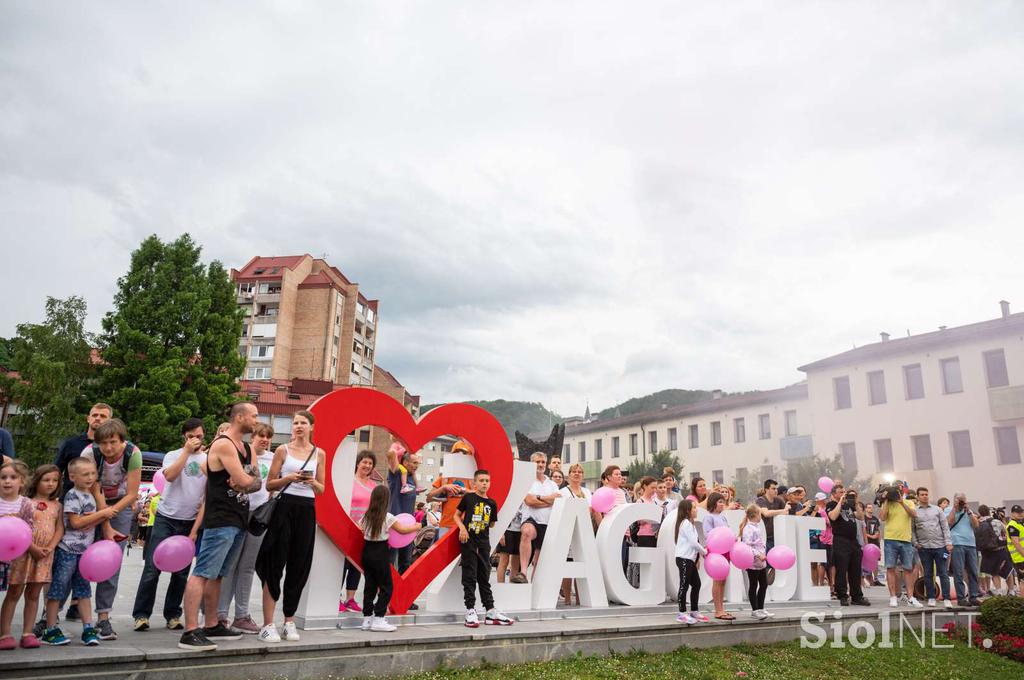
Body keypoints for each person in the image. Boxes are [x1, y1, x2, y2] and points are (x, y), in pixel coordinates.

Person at [178, 402, 262, 652]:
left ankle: (213, 623)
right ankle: (190, 630)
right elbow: (245, 479)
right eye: (254, 416)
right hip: (220, 518)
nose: (256, 420)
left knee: (218, 574)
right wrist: (246, 481)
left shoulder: (247, 447)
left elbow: (257, 482)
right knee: (203, 571)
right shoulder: (224, 444)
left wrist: (246, 482)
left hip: (238, 517)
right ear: (239, 417)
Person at [132, 418, 207, 633]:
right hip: (166, 517)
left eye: (199, 436)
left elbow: (207, 497)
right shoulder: (173, 455)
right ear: (184, 436)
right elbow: (171, 476)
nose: (196, 440)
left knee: (181, 572)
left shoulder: (207, 459)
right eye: (191, 436)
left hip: (189, 520)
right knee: (152, 569)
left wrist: (194, 531)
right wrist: (186, 451)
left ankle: (173, 614)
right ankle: (141, 614)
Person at [257, 410, 325, 643]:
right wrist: (289, 478)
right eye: (295, 423)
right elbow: (270, 484)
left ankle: (289, 620)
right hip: (284, 507)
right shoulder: (282, 450)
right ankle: (267, 624)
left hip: (307, 509)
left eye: (303, 423)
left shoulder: (319, 454)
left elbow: (322, 489)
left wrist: (311, 480)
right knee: (275, 563)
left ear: (311, 427)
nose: (298, 426)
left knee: (299, 566)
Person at [80, 417, 140, 640]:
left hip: (121, 505)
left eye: (113, 442)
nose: (108, 448)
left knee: (111, 561)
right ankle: (54, 615)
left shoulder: (133, 454)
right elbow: (93, 489)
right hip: (91, 502)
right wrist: (104, 520)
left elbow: (133, 493)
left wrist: (111, 515)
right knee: (77, 555)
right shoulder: (90, 454)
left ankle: (103, 617)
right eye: (103, 443)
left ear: (122, 440)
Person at [40, 458, 110, 646]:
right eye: (85, 474)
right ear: (72, 476)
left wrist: (97, 518)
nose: (90, 477)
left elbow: (87, 524)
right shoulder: (72, 495)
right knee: (58, 589)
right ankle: (50, 628)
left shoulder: (91, 495)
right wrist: (102, 514)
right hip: (67, 551)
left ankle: (88, 628)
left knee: (83, 591)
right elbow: (76, 523)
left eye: (93, 473)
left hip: (84, 553)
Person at [217, 422, 275, 633]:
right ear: (253, 437)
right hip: (239, 511)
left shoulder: (273, 458)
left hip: (259, 515)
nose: (264, 440)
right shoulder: (242, 454)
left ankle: (241, 615)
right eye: (260, 435)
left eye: (268, 436)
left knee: (247, 566)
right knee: (230, 564)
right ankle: (221, 613)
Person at [1, 465, 62, 649]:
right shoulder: (26, 502)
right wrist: (32, 547)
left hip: (44, 556)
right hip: (23, 554)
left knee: (34, 594)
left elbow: (59, 528)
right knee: (14, 593)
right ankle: (4, 633)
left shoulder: (58, 505)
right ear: (36, 481)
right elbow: (22, 528)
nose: (50, 484)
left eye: (54, 480)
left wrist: (50, 547)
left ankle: (28, 633)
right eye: (46, 480)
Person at [454, 469, 513, 627]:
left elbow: (492, 523)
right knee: (469, 575)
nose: (484, 483)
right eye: (481, 480)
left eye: (487, 481)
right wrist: (463, 528)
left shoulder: (492, 503)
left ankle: (490, 610)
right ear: (474, 483)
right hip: (468, 542)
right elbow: (456, 515)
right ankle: (470, 610)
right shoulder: (468, 497)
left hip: (484, 543)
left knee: (484, 576)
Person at [358, 485, 418, 632]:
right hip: (380, 551)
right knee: (386, 586)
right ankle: (378, 618)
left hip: (367, 551)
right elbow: (403, 530)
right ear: (386, 500)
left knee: (370, 586)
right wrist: (417, 525)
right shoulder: (388, 516)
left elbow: (360, 527)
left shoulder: (367, 515)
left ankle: (367, 619)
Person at [513, 452, 560, 583]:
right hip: (531, 519)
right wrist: (547, 501)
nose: (540, 464)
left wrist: (538, 497)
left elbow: (557, 500)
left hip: (548, 522)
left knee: (539, 562)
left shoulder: (552, 484)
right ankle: (522, 572)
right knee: (527, 532)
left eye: (542, 462)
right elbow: (529, 501)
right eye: (537, 462)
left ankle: (535, 588)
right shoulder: (526, 481)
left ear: (546, 464)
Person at [340, 449, 378, 613]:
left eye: (370, 463)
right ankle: (336, 598)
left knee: (356, 565)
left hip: (365, 531)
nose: (367, 465)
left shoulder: (373, 485)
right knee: (343, 565)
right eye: (364, 462)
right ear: (358, 463)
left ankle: (350, 599)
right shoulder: (349, 481)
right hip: (348, 528)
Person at [54, 403, 112, 497]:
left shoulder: (113, 447)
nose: (97, 418)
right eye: (94, 415)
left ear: (110, 422)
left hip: (103, 500)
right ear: (88, 419)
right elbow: (56, 472)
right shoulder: (70, 444)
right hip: (71, 500)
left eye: (103, 416)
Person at [827, 485, 870, 607]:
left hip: (853, 541)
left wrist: (856, 503)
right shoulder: (831, 505)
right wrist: (840, 502)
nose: (843, 494)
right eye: (841, 492)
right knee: (842, 569)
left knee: (855, 569)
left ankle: (857, 596)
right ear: (834, 494)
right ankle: (842, 595)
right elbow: (833, 516)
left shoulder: (849, 505)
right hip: (840, 540)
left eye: (844, 492)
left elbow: (861, 517)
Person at [911, 487, 952, 608]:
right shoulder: (914, 511)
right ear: (918, 497)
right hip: (924, 547)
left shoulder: (937, 509)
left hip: (940, 547)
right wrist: (915, 543)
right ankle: (931, 597)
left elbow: (945, 527)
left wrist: (948, 543)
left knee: (944, 573)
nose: (925, 496)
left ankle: (946, 598)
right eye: (922, 494)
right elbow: (912, 529)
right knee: (928, 573)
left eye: (926, 494)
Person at [880, 486, 921, 608]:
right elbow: (882, 517)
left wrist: (902, 502)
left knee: (908, 569)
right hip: (890, 539)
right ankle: (893, 597)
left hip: (906, 540)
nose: (896, 495)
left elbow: (914, 514)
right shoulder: (888, 504)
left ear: (901, 493)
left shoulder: (908, 502)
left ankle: (910, 597)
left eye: (898, 492)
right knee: (890, 568)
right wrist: (886, 500)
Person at [386, 443, 422, 577]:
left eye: (418, 463)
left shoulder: (412, 478)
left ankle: (403, 594)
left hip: (409, 527)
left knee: (406, 563)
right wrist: (399, 445)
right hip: (394, 525)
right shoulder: (397, 473)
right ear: (405, 462)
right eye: (414, 463)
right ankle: (386, 593)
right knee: (389, 561)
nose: (416, 466)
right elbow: (391, 455)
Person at [558, 463, 592, 605]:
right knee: (568, 566)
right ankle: (567, 598)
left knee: (581, 567)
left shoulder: (587, 491)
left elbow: (590, 509)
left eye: (579, 472)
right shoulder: (563, 492)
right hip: (568, 532)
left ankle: (580, 598)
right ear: (569, 475)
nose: (577, 474)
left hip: (583, 531)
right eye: (574, 472)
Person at [426, 440, 474, 540]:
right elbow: (429, 498)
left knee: (464, 555)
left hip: (466, 525)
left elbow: (480, 497)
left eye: (464, 454)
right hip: (446, 524)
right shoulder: (444, 477)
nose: (460, 457)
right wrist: (443, 488)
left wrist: (464, 490)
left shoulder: (473, 479)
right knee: (444, 554)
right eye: (457, 454)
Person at [673, 499, 708, 625]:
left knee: (696, 584)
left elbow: (693, 543)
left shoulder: (690, 524)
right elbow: (694, 543)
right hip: (683, 559)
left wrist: (697, 558)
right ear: (687, 510)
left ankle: (694, 610)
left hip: (690, 560)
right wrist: (704, 552)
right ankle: (682, 613)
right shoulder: (686, 523)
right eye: (694, 508)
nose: (696, 509)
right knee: (684, 585)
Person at [947, 493, 982, 607]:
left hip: (971, 544)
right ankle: (961, 597)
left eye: (963, 500)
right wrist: (955, 508)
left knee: (973, 571)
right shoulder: (949, 510)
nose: (961, 502)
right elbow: (949, 522)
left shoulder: (969, 511)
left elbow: (976, 525)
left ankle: (973, 596)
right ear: (954, 500)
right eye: (959, 500)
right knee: (959, 572)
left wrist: (969, 511)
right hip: (957, 543)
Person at [702, 491, 733, 620]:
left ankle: (722, 609)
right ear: (713, 503)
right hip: (716, 552)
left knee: (723, 580)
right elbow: (708, 534)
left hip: (726, 551)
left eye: (723, 502)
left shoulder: (723, 517)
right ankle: (717, 610)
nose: (722, 504)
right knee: (717, 580)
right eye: (720, 502)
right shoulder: (709, 517)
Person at [739, 503, 771, 619]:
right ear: (756, 515)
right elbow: (746, 546)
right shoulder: (748, 528)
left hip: (760, 562)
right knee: (753, 585)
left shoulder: (756, 527)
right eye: (760, 514)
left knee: (764, 584)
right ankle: (755, 610)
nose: (761, 516)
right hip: (752, 562)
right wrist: (758, 554)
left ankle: (761, 608)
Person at [976, 505, 1012, 596]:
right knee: (1008, 571)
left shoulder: (979, 522)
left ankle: (999, 591)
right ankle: (1011, 591)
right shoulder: (996, 521)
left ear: (980, 513)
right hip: (1000, 549)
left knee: (994, 572)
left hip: (988, 551)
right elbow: (1005, 532)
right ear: (989, 511)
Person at [754, 479, 789, 552]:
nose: (776, 490)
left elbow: (787, 513)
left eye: (776, 488)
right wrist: (782, 511)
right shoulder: (760, 500)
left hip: (777, 535)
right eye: (773, 488)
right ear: (766, 489)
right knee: (767, 561)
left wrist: (785, 510)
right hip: (764, 537)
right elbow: (766, 513)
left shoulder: (779, 500)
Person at [1006, 504, 1024, 597]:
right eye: (1017, 513)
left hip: (1021, 557)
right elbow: (1016, 543)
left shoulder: (1019, 524)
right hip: (1019, 558)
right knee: (1023, 580)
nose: (1020, 514)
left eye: (1021, 512)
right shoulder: (1012, 526)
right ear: (1012, 514)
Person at [863, 503, 882, 585]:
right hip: (867, 541)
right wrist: (870, 536)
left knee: (875, 560)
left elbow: (878, 529)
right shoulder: (863, 518)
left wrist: (877, 537)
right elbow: (862, 530)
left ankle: (876, 579)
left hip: (875, 542)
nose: (871, 509)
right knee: (867, 560)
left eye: (871, 507)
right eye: (869, 508)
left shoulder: (875, 519)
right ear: (866, 509)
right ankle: (868, 577)